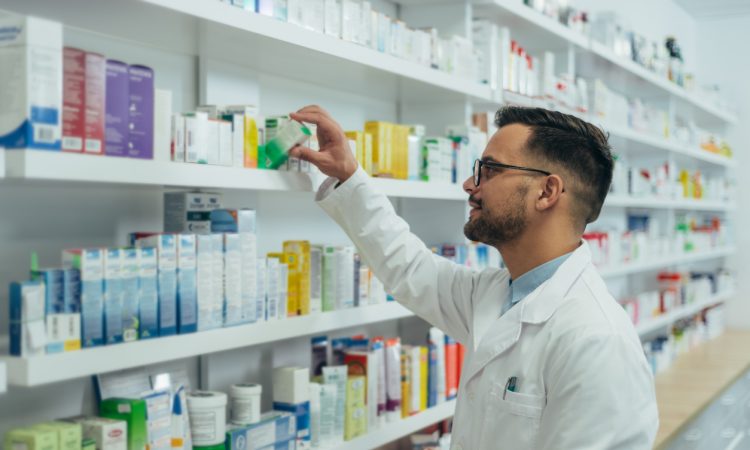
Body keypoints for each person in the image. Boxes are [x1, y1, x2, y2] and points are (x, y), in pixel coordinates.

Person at [289, 105, 659, 449]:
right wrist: (350, 176)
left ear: (547, 192)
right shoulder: (499, 293)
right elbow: (410, 268)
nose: (470, 184)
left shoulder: (596, 340)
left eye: (490, 169)